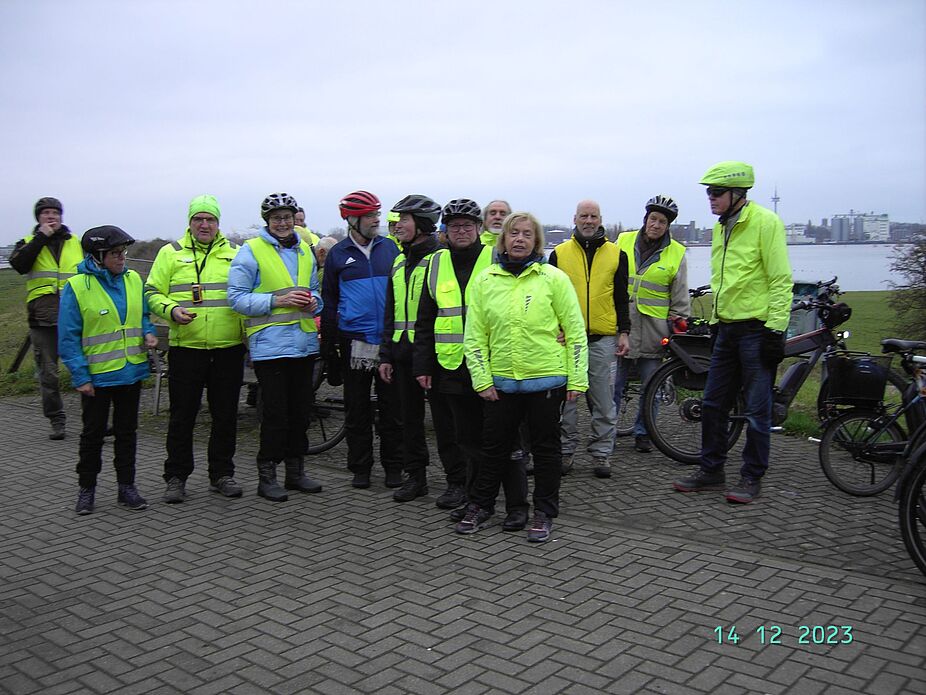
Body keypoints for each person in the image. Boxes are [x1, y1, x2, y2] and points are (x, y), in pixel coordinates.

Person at [459, 212, 588, 542]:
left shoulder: (553, 279)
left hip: (547, 380)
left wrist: (577, 380)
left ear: (536, 242)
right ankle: (481, 505)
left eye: (527, 235)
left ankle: (544, 512)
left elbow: (574, 331)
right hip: (501, 383)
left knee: (546, 452)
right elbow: (474, 336)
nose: (519, 239)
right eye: (513, 233)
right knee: (494, 449)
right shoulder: (485, 280)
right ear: (503, 240)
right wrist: (481, 379)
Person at [673, 161, 792, 504]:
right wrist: (713, 320)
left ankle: (751, 476)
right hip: (726, 329)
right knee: (712, 404)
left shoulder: (765, 223)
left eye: (716, 193)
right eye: (708, 193)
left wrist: (775, 331)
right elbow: (724, 282)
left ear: (737, 194)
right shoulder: (721, 227)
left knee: (757, 409)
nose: (710, 199)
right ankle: (711, 471)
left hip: (757, 331)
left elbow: (780, 280)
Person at [414, 199, 530, 529]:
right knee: (467, 441)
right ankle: (476, 499)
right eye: (454, 227)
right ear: (445, 232)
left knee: (505, 439)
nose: (461, 232)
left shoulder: (495, 255)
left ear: (479, 228)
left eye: (467, 226)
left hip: (494, 366)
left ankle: (518, 505)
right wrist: (422, 366)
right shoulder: (434, 262)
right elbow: (425, 318)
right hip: (450, 367)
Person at [145, 195, 246, 502]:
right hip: (186, 348)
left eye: (210, 219)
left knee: (225, 416)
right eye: (198, 219)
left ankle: (222, 474)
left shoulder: (237, 253)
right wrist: (171, 310)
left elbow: (247, 295)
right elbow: (151, 292)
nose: (204, 225)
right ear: (189, 222)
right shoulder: (170, 253)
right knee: (182, 416)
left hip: (228, 349)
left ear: (218, 223)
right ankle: (176, 477)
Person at [227, 193, 324, 502]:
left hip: (304, 344)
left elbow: (317, 293)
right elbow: (237, 298)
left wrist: (314, 303)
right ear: (267, 221)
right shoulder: (250, 251)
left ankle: (295, 473)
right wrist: (277, 300)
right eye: (276, 218)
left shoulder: (306, 251)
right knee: (275, 415)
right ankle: (266, 475)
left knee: (300, 413)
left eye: (287, 217)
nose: (282, 223)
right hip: (270, 347)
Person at [58, 226, 158, 514]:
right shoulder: (77, 287)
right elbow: (68, 337)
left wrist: (148, 332)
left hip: (131, 372)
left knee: (127, 433)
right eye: (115, 253)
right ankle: (86, 489)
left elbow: (142, 317)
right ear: (98, 256)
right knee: (93, 435)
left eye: (123, 252)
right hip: (97, 378)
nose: (122, 258)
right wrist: (80, 376)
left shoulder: (133, 281)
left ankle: (127, 487)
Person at [379, 195, 464, 504]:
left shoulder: (441, 259)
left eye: (405, 219)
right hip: (402, 355)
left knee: (445, 424)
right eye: (397, 219)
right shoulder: (399, 260)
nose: (397, 224)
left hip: (434, 355)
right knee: (408, 421)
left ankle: (457, 481)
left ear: (423, 224)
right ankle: (416, 477)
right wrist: (385, 354)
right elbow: (390, 311)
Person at [321, 190, 402, 489]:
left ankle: (394, 466)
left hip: (386, 341)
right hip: (354, 341)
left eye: (377, 215)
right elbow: (329, 299)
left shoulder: (391, 249)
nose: (376, 221)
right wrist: (328, 344)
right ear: (352, 219)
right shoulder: (338, 254)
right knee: (357, 408)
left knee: (392, 407)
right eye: (369, 216)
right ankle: (360, 467)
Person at [549, 200, 630, 478]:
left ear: (600, 219)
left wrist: (624, 332)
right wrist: (553, 328)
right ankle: (566, 451)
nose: (588, 221)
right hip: (568, 341)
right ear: (575, 218)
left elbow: (621, 297)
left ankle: (602, 454)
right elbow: (550, 299)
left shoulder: (616, 254)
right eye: (583, 216)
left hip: (603, 339)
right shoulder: (559, 254)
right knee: (567, 401)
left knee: (604, 402)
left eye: (593, 216)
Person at [614, 195, 690, 453]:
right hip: (622, 325)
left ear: (668, 226)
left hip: (653, 331)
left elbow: (679, 294)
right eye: (653, 219)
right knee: (614, 385)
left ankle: (643, 432)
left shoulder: (676, 252)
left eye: (662, 222)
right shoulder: (623, 241)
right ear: (645, 219)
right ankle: (607, 431)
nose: (656, 225)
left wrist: (679, 322)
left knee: (651, 387)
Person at [9, 197, 82, 440]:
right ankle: (57, 419)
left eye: (55, 213)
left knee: (84, 368)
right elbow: (19, 265)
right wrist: (41, 237)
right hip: (43, 317)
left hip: (76, 316)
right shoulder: (28, 243)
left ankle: (94, 420)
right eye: (45, 213)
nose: (51, 217)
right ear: (38, 218)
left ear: (62, 216)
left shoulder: (77, 243)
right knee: (48, 373)